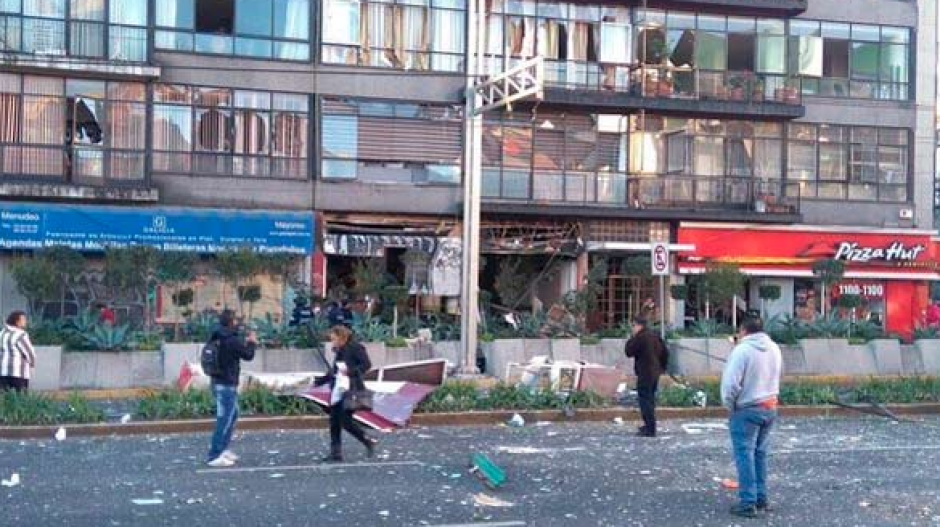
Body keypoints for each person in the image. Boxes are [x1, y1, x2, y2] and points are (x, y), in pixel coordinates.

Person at [720, 317, 783, 518]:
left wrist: (730, 406)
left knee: (744, 454)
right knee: (760, 453)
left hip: (747, 408)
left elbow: (730, 384)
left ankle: (748, 502)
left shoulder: (742, 350)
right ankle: (761, 498)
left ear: (743, 330)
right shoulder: (774, 348)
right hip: (770, 405)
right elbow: (778, 374)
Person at [317, 325, 377, 462]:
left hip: (350, 389)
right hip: (338, 389)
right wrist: (320, 380)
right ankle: (336, 453)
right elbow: (335, 371)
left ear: (341, 337)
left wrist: (350, 372)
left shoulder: (356, 348)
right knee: (334, 422)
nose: (332, 342)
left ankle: (367, 439)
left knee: (344, 419)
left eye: (334, 339)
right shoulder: (340, 351)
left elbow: (366, 365)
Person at [206, 310, 258, 468]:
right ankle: (214, 455)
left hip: (217, 381)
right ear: (231, 322)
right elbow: (248, 355)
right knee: (224, 419)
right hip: (227, 383)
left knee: (232, 415)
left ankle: (223, 449)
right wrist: (252, 342)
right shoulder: (231, 340)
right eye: (236, 320)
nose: (238, 322)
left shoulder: (217, 336)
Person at [624, 317, 668, 437]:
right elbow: (665, 353)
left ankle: (650, 428)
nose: (633, 328)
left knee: (644, 400)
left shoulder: (640, 338)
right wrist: (662, 368)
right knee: (650, 398)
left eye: (633, 326)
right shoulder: (655, 336)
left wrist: (631, 338)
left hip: (645, 372)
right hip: (655, 372)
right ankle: (649, 424)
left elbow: (628, 351)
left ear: (639, 326)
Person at [0, 311, 36, 392]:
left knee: (6, 398)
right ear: (17, 321)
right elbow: (29, 352)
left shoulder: (1, 333)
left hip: (3, 371)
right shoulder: (21, 334)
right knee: (20, 399)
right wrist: (32, 363)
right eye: (23, 319)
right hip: (18, 372)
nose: (26, 321)